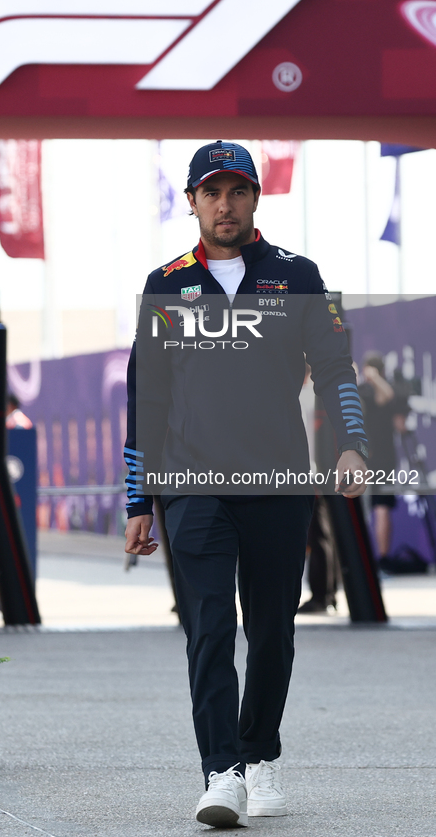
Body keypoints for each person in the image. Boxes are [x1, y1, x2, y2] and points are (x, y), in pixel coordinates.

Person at [124, 141, 368, 828]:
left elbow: (335, 365)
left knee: (271, 633)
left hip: (277, 482)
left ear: (255, 198)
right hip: (193, 483)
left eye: (236, 191)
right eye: (211, 192)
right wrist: (138, 498)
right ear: (192, 202)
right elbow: (144, 393)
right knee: (208, 629)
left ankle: (259, 756)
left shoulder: (297, 275)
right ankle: (221, 773)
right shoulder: (166, 282)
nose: (223, 205)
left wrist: (351, 445)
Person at [358, 351, 408, 568]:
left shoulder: (386, 389)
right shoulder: (362, 391)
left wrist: (375, 377)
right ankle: (361, 558)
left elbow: (386, 397)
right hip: (364, 457)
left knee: (381, 507)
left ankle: (384, 559)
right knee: (362, 507)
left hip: (383, 458)